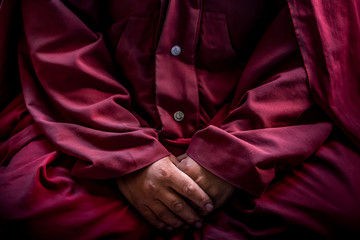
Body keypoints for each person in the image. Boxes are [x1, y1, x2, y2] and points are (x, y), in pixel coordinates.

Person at [0, 0, 359, 239]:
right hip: (90, 123)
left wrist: (233, 157)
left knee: (337, 202)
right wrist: (127, 155)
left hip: (267, 133)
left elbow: (314, 51)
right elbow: (60, 39)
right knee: (31, 205)